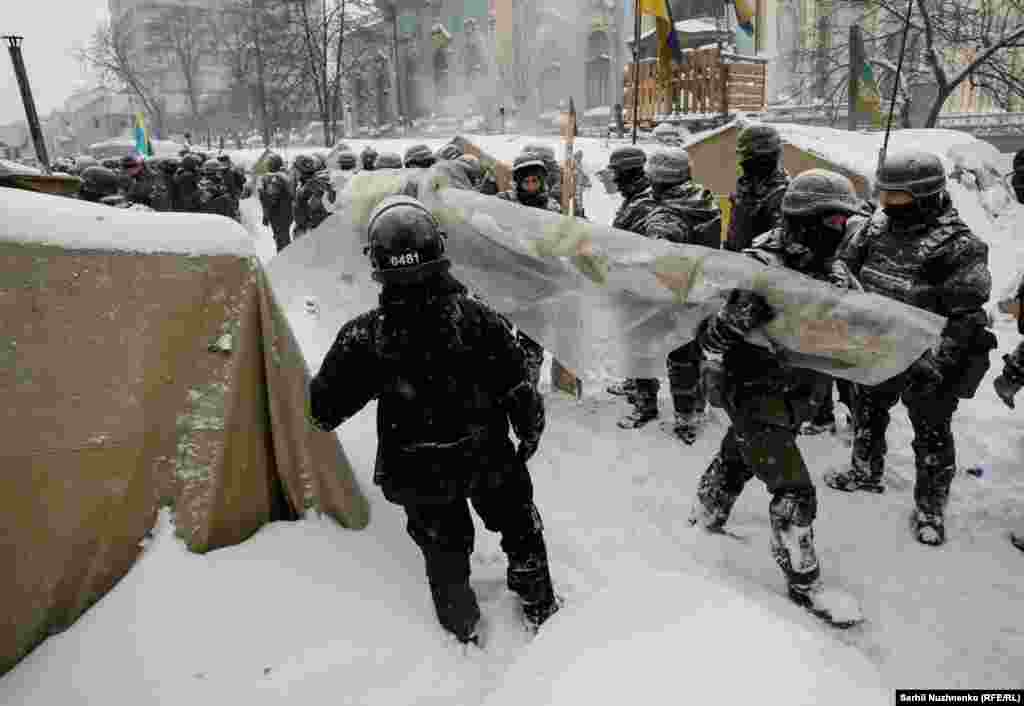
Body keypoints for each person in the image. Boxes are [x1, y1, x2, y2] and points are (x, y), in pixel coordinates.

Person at [308, 196, 559, 644]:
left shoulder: (365, 335)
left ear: (377, 263)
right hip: (488, 457)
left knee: (444, 551)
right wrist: (529, 432)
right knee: (520, 526)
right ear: (438, 249)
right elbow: (520, 389)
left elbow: (322, 412)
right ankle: (540, 604)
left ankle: (461, 628)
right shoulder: (479, 318)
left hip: (417, 468)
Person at [688, 170, 869, 626]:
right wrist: (728, 329)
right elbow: (708, 334)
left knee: (742, 452)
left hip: (798, 391)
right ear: (805, 219)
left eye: (844, 221)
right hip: (753, 388)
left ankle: (707, 512)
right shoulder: (760, 267)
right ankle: (805, 582)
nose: (841, 229)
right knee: (794, 491)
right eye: (832, 220)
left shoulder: (834, 269)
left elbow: (869, 318)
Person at [824, 150, 995, 547]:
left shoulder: (959, 246)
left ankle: (930, 508)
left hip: (927, 356)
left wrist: (940, 361)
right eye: (884, 194)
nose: (887, 203)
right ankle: (865, 471)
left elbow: (967, 315)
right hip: (877, 344)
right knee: (867, 411)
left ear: (925, 196)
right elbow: (846, 266)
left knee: (932, 433)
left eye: (896, 196)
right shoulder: (875, 228)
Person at [642, 148, 722, 442]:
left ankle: (686, 419)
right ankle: (697, 407)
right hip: (703, 291)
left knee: (679, 357)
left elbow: (659, 255)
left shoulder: (668, 216)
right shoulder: (703, 201)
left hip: (677, 296)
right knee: (694, 352)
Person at [599, 146, 659, 428]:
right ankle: (634, 383)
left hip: (640, 284)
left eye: (616, 172)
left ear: (627, 173)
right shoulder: (635, 198)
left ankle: (646, 404)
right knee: (631, 338)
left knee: (640, 341)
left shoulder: (643, 202)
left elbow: (635, 246)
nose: (613, 178)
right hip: (630, 282)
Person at [497, 153, 562, 389]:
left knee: (532, 345)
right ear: (519, 182)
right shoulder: (502, 203)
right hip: (505, 284)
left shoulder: (552, 208)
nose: (532, 186)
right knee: (499, 341)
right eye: (527, 181)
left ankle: (528, 390)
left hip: (537, 286)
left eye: (536, 181)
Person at [725, 124, 789, 253]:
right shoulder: (746, 185)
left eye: (746, 156)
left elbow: (777, 248)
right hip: (734, 259)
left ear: (763, 158)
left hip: (756, 263)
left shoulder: (782, 195)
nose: (742, 161)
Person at [292, 154, 336, 238]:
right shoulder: (308, 183)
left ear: (301, 170)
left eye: (295, 169)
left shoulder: (312, 186)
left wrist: (302, 229)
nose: (293, 172)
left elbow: (314, 210)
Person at [258, 152, 295, 253]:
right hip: (286, 212)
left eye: (268, 163)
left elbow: (271, 198)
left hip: (279, 214)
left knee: (281, 240)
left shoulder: (276, 178)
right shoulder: (285, 175)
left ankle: (284, 259)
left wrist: (266, 215)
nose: (266, 165)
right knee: (283, 237)